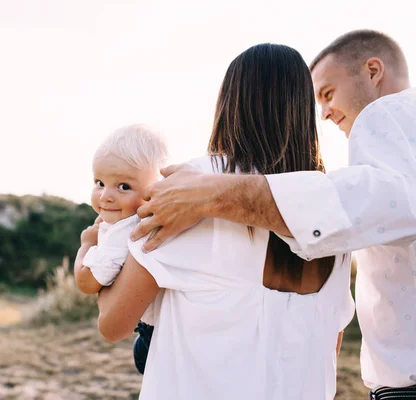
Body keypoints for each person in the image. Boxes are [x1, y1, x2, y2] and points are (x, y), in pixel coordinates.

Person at [131, 30, 416, 399]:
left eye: (328, 93)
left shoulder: (389, 113)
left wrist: (209, 192)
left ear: (373, 71)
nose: (325, 112)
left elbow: (388, 201)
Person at [79, 43, 355, 399]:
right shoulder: (331, 212)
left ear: (228, 105)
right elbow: (331, 343)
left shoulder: (196, 186)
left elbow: (113, 323)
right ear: (303, 110)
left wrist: (101, 248)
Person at [73, 123, 169, 374]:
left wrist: (86, 244)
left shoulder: (124, 232)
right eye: (100, 182)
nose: (106, 196)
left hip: (151, 337)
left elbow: (86, 282)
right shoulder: (138, 219)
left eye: (123, 186)